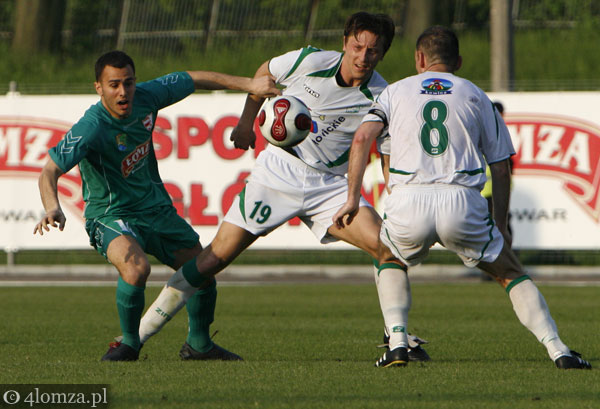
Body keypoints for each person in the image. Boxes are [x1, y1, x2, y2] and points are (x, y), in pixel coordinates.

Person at [133, 11, 430, 363]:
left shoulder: (383, 96)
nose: (363, 57)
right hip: (279, 172)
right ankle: (135, 337)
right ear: (344, 42)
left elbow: (386, 150)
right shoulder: (309, 61)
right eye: (357, 46)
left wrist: (395, 193)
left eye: (373, 51)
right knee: (214, 258)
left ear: (383, 53)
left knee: (388, 248)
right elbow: (265, 73)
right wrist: (246, 122)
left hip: (329, 188)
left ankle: (398, 339)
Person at [332, 26, 592, 369]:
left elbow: (363, 137)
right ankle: (558, 350)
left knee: (387, 256)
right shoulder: (475, 94)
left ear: (419, 59)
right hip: (462, 202)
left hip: (409, 199)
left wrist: (353, 197)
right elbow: (500, 168)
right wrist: (500, 224)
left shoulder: (394, 92)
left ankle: (396, 342)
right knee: (509, 272)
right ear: (458, 61)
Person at [33, 50, 280, 362]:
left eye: (128, 83)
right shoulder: (91, 126)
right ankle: (129, 345)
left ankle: (199, 345)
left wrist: (249, 84)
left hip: (156, 210)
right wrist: (52, 206)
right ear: (99, 88)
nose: (123, 92)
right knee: (136, 268)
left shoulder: (148, 96)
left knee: (203, 269)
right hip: (111, 215)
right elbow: (49, 172)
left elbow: (194, 78)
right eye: (113, 85)